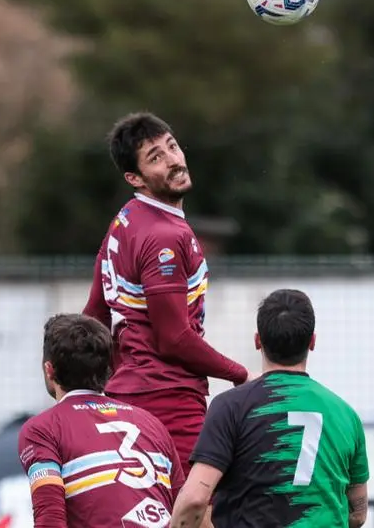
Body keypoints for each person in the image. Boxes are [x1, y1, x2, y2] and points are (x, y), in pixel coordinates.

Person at [81, 111, 254, 479]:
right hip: (169, 399)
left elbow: (94, 316)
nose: (173, 160)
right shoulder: (164, 236)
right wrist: (239, 374)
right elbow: (173, 337)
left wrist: (108, 382)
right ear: (135, 178)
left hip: (125, 397)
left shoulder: (123, 221)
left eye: (172, 147)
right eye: (155, 158)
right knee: (202, 508)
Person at [170, 289, 370, 528]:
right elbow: (357, 513)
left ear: (257, 341)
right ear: (312, 342)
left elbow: (194, 499)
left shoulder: (230, 406)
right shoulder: (346, 415)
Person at [17, 313, 185, 527]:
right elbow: (188, 508)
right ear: (108, 369)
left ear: (49, 369)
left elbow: (50, 519)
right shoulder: (152, 424)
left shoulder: (42, 429)